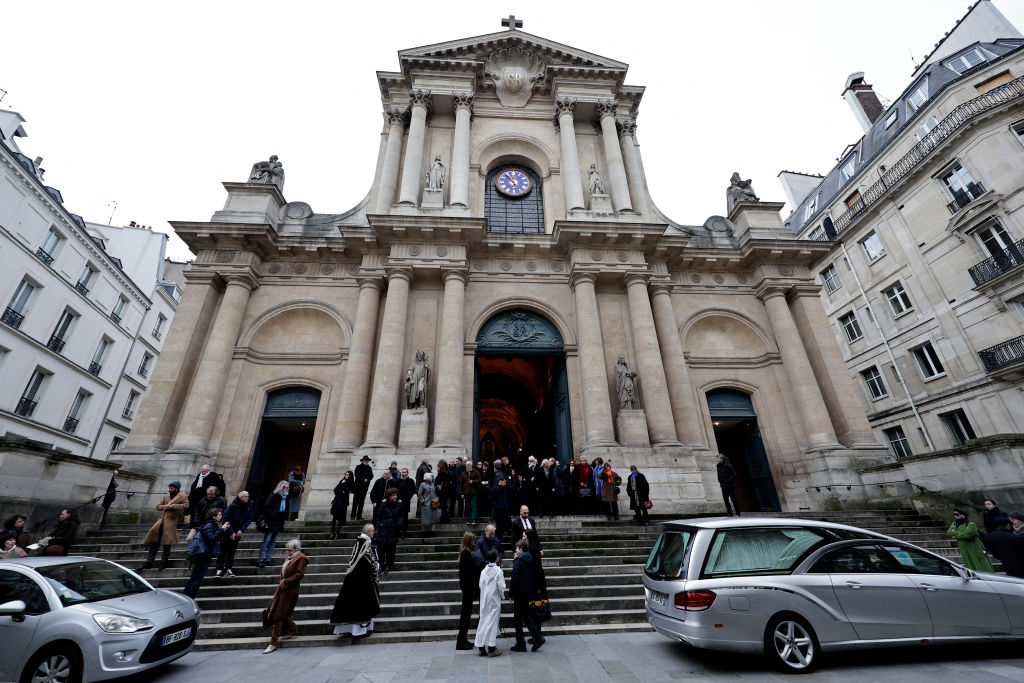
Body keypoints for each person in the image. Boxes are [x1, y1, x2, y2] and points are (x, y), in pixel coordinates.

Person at [330, 524, 380, 641]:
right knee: (360, 605)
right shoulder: (364, 543)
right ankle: (358, 631)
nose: (374, 533)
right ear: (367, 532)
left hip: (358, 579)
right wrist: (375, 566)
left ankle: (358, 630)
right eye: (372, 531)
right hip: (362, 580)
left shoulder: (362, 542)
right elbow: (367, 562)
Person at [263, 538, 308, 653]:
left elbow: (299, 575)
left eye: (290, 550)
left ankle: (273, 643)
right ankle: (293, 629)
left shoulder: (301, 559)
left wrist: (286, 581)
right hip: (283, 590)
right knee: (281, 613)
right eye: (287, 550)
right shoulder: (291, 559)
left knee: (278, 615)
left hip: (291, 591)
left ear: (296, 550)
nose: (288, 552)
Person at [139, 481, 188, 570]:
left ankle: (163, 562)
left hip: (171, 521)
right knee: (154, 541)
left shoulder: (183, 495)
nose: (170, 489)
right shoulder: (166, 496)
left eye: (172, 488)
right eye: (169, 488)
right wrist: (165, 506)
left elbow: (186, 506)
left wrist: (173, 506)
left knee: (167, 543)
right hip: (161, 521)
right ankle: (149, 561)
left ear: (177, 488)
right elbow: (158, 506)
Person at [184, 508, 230, 598]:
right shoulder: (209, 525)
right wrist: (222, 529)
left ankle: (190, 598)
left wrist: (223, 530)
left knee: (197, 579)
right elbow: (211, 539)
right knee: (196, 579)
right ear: (214, 516)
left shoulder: (212, 525)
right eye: (220, 515)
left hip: (205, 555)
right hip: (202, 556)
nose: (221, 516)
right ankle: (188, 598)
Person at [509, 538, 544, 652]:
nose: (515, 550)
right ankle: (538, 637)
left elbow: (515, 578)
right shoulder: (531, 558)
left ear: (521, 548)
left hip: (519, 592)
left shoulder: (518, 560)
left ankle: (521, 643)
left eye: (517, 548)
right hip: (528, 591)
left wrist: (511, 594)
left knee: (517, 618)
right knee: (526, 615)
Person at [474, 548, 504, 658]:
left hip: (484, 599)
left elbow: (480, 585)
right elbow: (501, 587)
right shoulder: (498, 572)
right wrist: (502, 596)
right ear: (497, 558)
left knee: (483, 621)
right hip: (494, 599)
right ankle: (491, 648)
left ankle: (481, 648)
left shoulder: (483, 571)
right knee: (492, 622)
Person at [217, 491, 253, 577]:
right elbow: (225, 519)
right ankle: (219, 569)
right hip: (227, 533)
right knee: (223, 551)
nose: (247, 498)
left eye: (248, 496)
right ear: (240, 497)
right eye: (245, 496)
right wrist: (231, 532)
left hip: (237, 533)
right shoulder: (232, 507)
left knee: (231, 552)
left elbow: (248, 520)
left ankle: (228, 568)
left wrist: (241, 530)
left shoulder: (248, 507)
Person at [456, 532, 482, 650]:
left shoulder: (464, 552)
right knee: (466, 615)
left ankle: (463, 639)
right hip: (467, 588)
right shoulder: (466, 552)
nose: (474, 543)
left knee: (466, 614)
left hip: (466, 587)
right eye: (473, 540)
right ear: (469, 540)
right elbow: (469, 570)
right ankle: (461, 642)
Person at [257, 481, 290, 568]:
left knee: (273, 542)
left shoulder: (286, 498)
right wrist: (273, 514)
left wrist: (284, 515)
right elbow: (266, 507)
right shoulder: (273, 496)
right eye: (287, 488)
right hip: (271, 522)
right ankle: (260, 560)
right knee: (266, 541)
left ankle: (268, 559)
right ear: (282, 488)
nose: (288, 489)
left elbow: (287, 509)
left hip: (279, 523)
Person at [375, 488, 402, 574]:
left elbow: (401, 516)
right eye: (393, 495)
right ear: (389, 496)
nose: (395, 497)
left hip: (393, 529)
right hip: (383, 530)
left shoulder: (399, 504)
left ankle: (388, 566)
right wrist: (380, 525)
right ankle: (381, 566)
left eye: (396, 495)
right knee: (381, 549)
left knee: (391, 550)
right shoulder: (384, 504)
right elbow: (378, 516)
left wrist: (398, 524)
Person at [331, 471, 353, 539]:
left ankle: (338, 533)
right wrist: (341, 491)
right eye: (345, 474)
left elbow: (346, 491)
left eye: (347, 475)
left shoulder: (350, 483)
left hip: (343, 503)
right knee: (334, 518)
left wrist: (342, 486)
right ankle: (332, 532)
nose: (346, 476)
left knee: (340, 518)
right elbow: (335, 490)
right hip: (337, 501)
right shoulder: (342, 481)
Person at [396, 468, 417, 536]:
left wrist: (407, 498)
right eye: (402, 472)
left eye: (404, 472)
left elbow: (413, 490)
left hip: (406, 502)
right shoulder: (398, 481)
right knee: (398, 517)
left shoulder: (411, 481)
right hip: (398, 502)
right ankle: (398, 531)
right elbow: (395, 490)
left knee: (405, 517)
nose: (403, 473)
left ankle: (404, 532)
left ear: (407, 473)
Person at [352, 456, 373, 520]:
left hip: (364, 488)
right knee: (355, 502)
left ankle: (359, 516)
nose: (366, 461)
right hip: (357, 488)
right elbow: (357, 475)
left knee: (361, 503)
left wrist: (367, 479)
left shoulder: (369, 468)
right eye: (365, 460)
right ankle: (353, 516)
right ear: (363, 461)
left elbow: (371, 475)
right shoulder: (358, 467)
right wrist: (363, 479)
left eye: (367, 460)